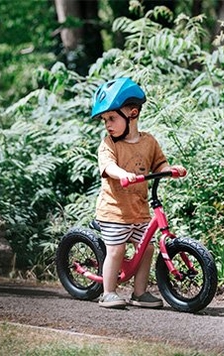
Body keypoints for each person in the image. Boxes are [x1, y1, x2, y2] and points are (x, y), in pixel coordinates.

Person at [91, 77, 187, 309]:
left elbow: (159, 164)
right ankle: (108, 292)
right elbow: (108, 166)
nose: (108, 125)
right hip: (114, 212)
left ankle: (139, 293)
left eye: (112, 118)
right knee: (116, 249)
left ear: (132, 114)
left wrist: (170, 170)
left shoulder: (149, 142)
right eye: (105, 120)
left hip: (140, 210)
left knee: (148, 249)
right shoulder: (108, 144)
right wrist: (121, 173)